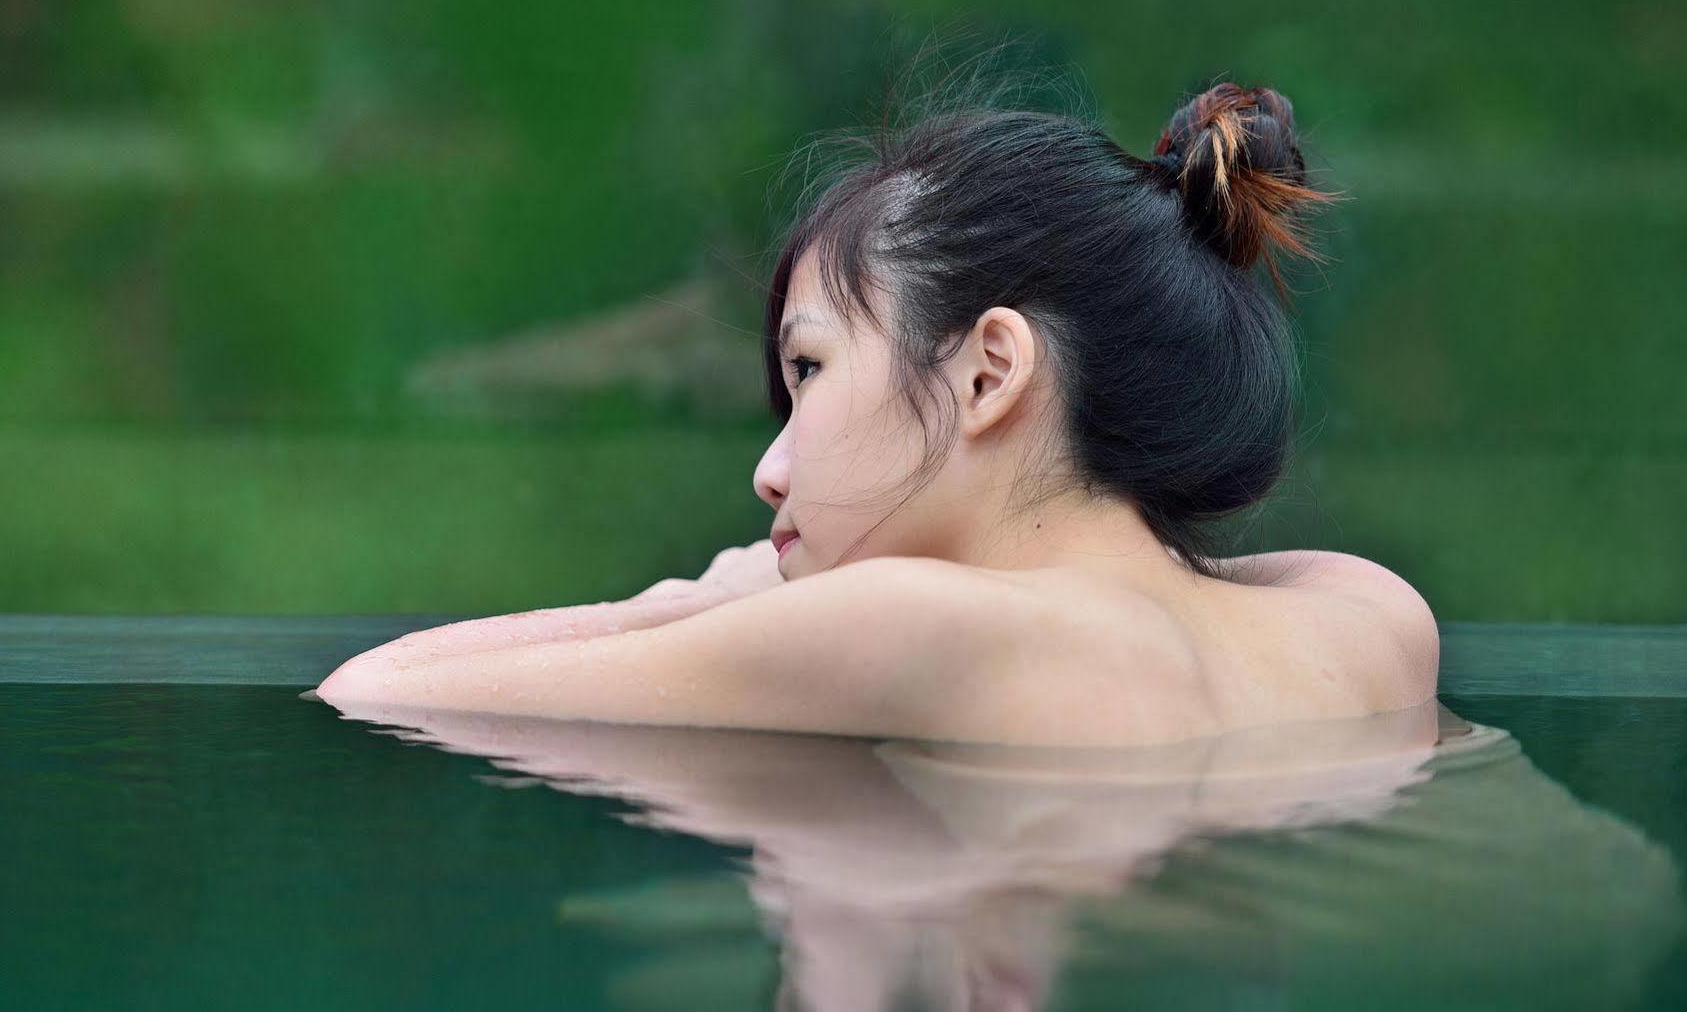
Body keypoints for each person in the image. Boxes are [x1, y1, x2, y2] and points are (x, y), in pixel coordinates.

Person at [314, 70, 1440, 746]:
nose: (769, 472)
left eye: (809, 370)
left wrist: (696, 599)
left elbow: (375, 695)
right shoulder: (1366, 615)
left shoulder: (918, 626)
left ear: (990, 372)